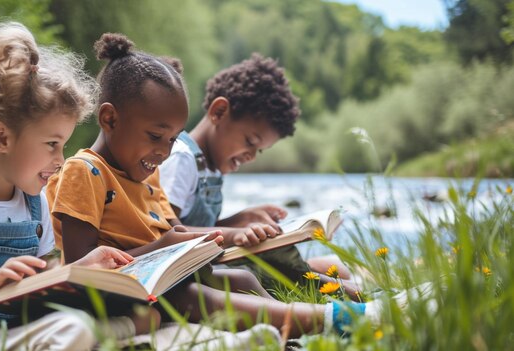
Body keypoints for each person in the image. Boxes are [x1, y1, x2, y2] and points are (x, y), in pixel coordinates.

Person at [46, 33, 388, 338]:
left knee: (242, 281)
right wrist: (164, 246)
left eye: (172, 139)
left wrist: (202, 240)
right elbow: (80, 269)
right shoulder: (85, 171)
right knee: (196, 299)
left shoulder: (147, 177)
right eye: (155, 137)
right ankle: (335, 320)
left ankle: (287, 333)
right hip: (118, 293)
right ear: (109, 119)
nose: (164, 152)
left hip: (162, 279)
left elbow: (174, 230)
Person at [0, 22, 156, 350]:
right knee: (75, 329)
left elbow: (43, 281)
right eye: (52, 144)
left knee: (144, 316)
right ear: (2, 137)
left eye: (63, 146)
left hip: (23, 325)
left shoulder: (36, 203)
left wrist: (83, 268)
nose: (61, 159)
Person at [159, 54, 361, 299]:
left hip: (205, 262)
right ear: (219, 112)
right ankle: (352, 296)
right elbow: (167, 232)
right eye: (250, 142)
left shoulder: (208, 166)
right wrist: (235, 233)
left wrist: (242, 219)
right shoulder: (182, 158)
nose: (251, 157)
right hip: (182, 272)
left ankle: (344, 286)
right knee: (270, 270)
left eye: (260, 150)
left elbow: (201, 225)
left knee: (307, 265)